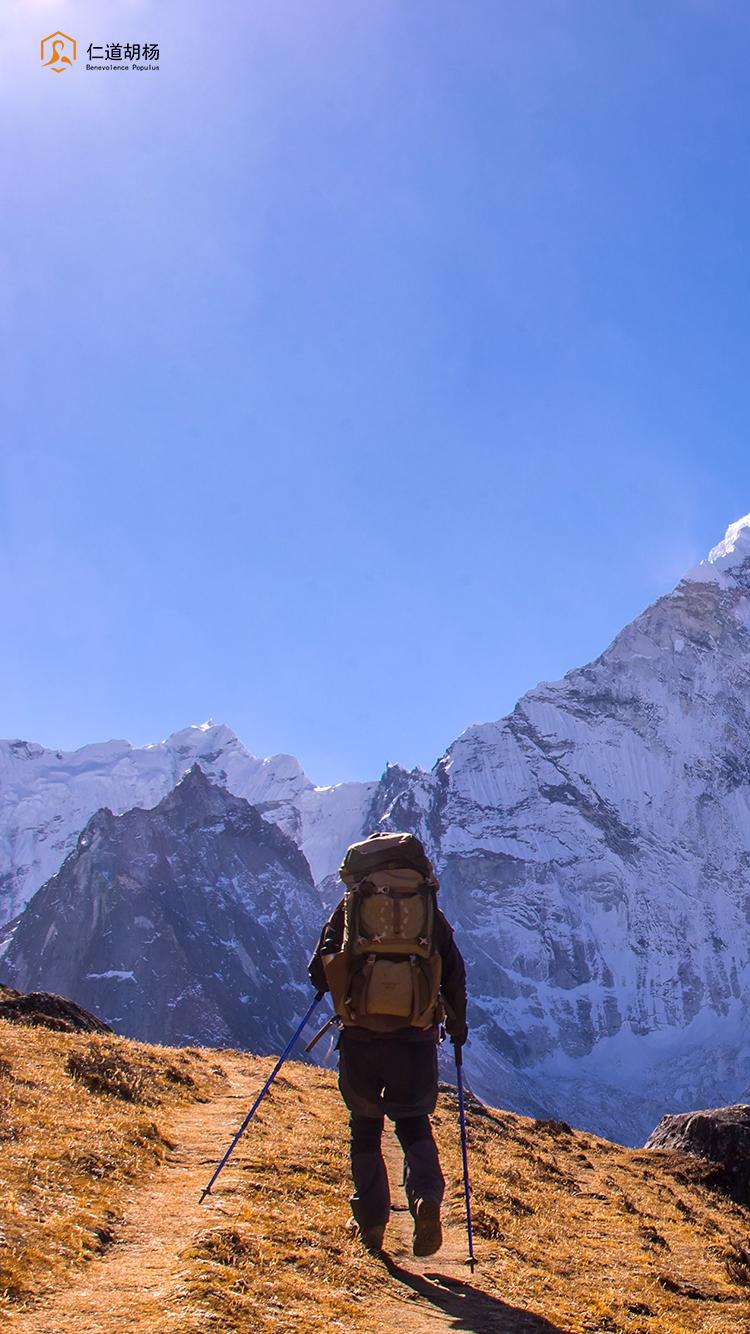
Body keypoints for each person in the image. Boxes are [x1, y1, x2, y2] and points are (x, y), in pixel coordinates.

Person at [308, 831, 468, 1257]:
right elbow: (453, 971)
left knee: (364, 1127)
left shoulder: (352, 907)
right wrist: (458, 1026)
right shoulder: (429, 911)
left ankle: (373, 1222)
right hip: (414, 1038)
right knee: (413, 1122)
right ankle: (425, 1198)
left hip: (361, 1036)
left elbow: (318, 971)